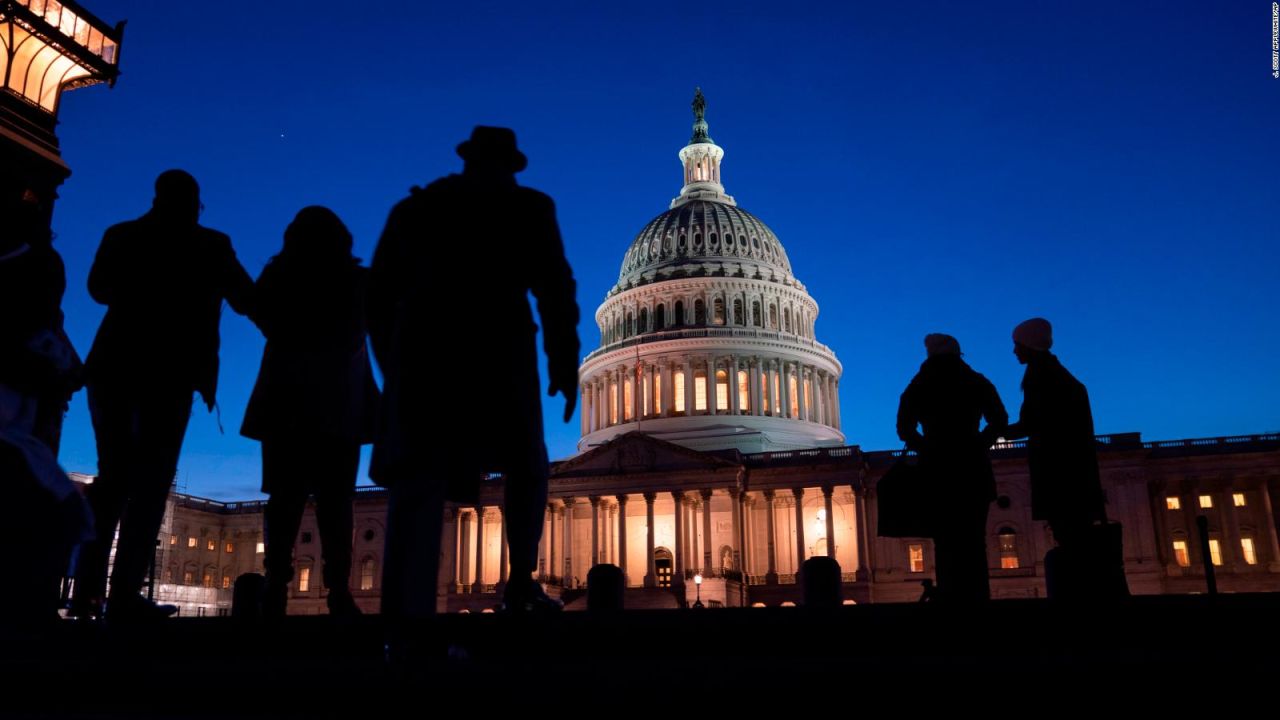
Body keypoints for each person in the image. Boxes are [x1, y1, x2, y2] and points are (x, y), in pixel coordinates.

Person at [368, 126, 579, 623]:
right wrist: (562, 360)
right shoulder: (527, 207)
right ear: (509, 165)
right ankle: (520, 582)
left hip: (428, 353)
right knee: (524, 465)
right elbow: (554, 289)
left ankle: (406, 609)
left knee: (423, 474)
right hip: (498, 348)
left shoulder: (417, 210)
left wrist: (391, 365)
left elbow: (377, 295)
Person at [73, 170, 256, 621]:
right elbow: (249, 299)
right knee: (151, 486)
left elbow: (97, 290)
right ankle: (123, 597)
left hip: (114, 367)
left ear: (156, 199)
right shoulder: (211, 245)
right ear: (195, 203)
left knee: (112, 478)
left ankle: (88, 591)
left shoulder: (123, 234)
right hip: (171, 374)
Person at [240, 206, 379, 618]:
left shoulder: (280, 277)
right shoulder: (358, 280)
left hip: (287, 401)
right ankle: (338, 590)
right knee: (338, 502)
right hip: (340, 402)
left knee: (285, 499)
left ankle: (275, 588)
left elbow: (255, 312)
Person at [0, 185, 90, 622]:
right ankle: (27, 598)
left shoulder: (31, 264)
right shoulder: (37, 265)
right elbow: (45, 320)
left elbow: (49, 321)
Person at [896, 333, 1007, 602]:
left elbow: (904, 428)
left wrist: (927, 447)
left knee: (944, 541)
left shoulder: (920, 383)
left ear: (931, 354)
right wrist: (979, 444)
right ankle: (977, 598)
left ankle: (951, 601)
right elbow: (999, 420)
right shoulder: (976, 381)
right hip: (972, 468)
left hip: (937, 470)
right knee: (973, 541)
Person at [1004, 318, 1109, 592]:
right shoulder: (1057, 373)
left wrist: (991, 434)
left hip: (1059, 470)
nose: (1014, 351)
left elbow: (1031, 423)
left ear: (1027, 345)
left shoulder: (1041, 376)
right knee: (1074, 533)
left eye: (1016, 345)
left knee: (1069, 534)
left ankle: (1080, 594)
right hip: (1072, 468)